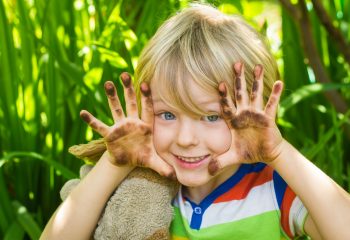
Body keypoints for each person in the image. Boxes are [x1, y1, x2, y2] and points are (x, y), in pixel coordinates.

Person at [41, 3, 350, 240]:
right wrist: (113, 164)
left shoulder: (271, 188)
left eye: (212, 116)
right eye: (167, 114)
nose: (186, 138)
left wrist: (280, 154)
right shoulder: (133, 186)